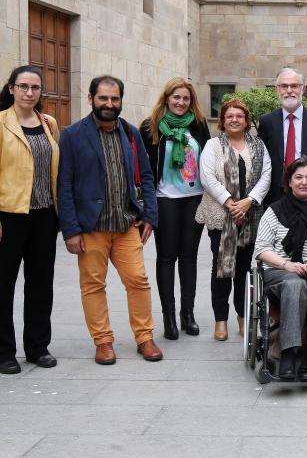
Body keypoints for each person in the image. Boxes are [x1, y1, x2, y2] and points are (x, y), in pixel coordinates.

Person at [58, 75, 161, 365]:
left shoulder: (130, 132)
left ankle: (145, 338)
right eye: (103, 98)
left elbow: (148, 176)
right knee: (92, 285)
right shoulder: (73, 135)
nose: (109, 104)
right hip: (91, 228)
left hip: (126, 224)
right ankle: (103, 342)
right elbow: (64, 185)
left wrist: (150, 216)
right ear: (91, 99)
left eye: (114, 99)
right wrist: (71, 230)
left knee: (138, 281)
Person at [253, 158, 307, 380]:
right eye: (298, 177)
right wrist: (287, 265)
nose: (304, 182)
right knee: (294, 283)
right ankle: (289, 353)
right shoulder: (274, 211)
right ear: (289, 182)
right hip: (279, 270)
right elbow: (261, 249)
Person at [140, 78, 211, 340]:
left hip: (194, 197)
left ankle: (187, 315)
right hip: (164, 198)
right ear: (167, 98)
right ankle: (168, 317)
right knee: (167, 257)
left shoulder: (199, 125)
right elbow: (144, 169)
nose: (181, 102)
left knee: (189, 257)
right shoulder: (150, 127)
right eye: (176, 97)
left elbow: (208, 159)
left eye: (186, 98)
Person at [0, 66, 60, 374]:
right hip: (9, 216)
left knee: (40, 283)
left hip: (44, 216)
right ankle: (4, 352)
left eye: (34, 87)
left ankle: (38, 347)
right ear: (11, 89)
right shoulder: (1, 123)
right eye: (22, 86)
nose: (29, 92)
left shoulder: (48, 123)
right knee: (3, 285)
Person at [196, 98, 271, 341]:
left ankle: (242, 315)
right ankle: (220, 320)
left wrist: (248, 202)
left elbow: (266, 176)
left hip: (250, 216)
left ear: (246, 121)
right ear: (223, 120)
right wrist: (230, 203)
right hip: (220, 215)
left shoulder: (258, 146)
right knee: (221, 268)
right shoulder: (213, 145)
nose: (234, 120)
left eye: (239, 116)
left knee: (243, 269)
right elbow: (207, 177)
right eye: (229, 116)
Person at [257, 68, 307, 208]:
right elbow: (261, 160)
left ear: (303, 89)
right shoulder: (267, 121)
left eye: (294, 86)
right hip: (275, 195)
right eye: (284, 86)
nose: (289, 90)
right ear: (277, 89)